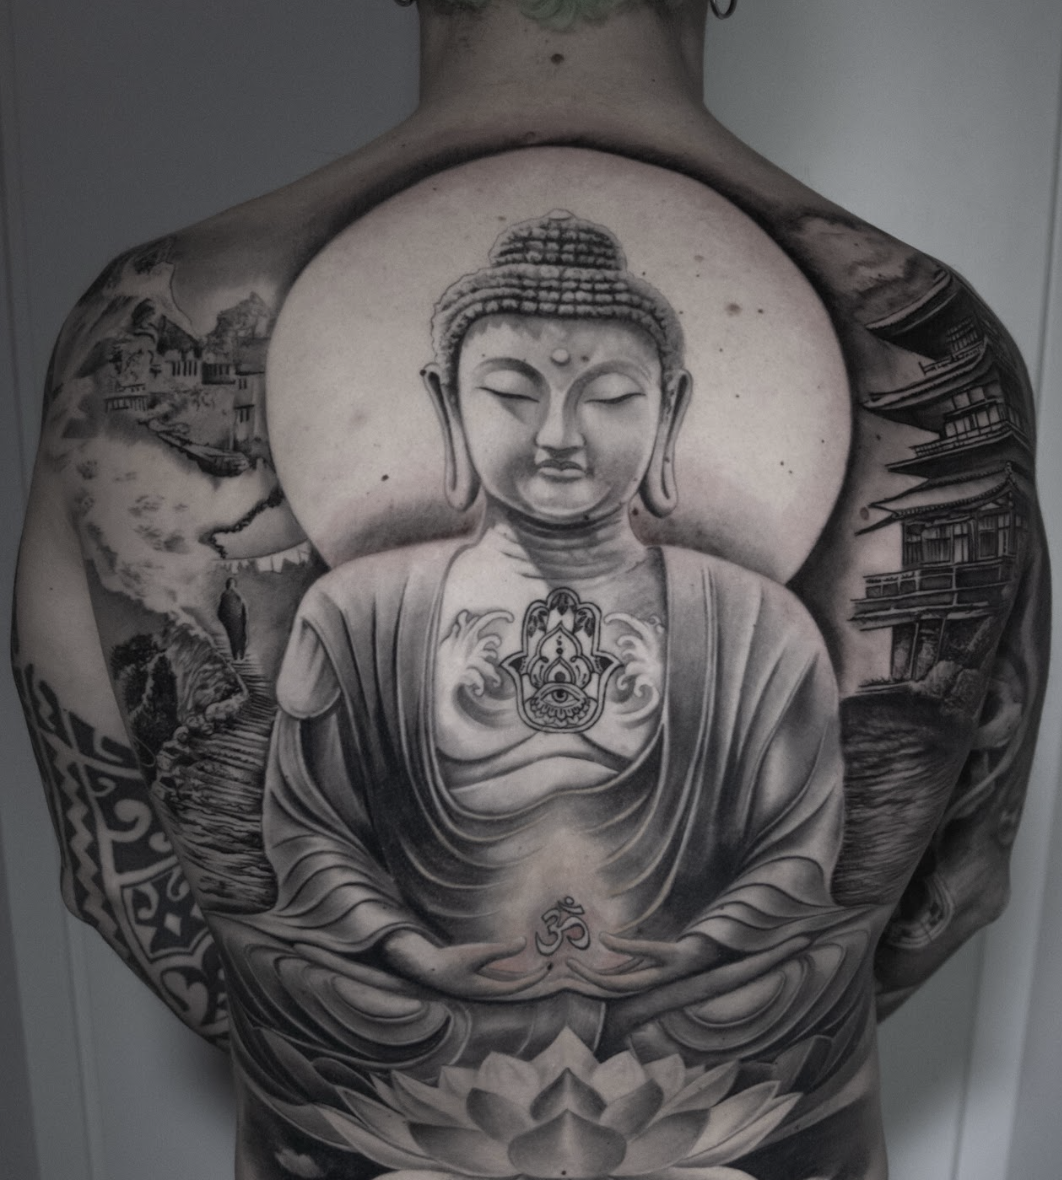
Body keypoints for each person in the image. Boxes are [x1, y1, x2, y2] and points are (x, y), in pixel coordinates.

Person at [10, 3, 1049, 1180]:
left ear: (671, 409)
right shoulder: (357, 617)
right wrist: (410, 961)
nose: (560, 436)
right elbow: (951, 888)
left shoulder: (759, 627)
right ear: (445, 402)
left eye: (609, 395)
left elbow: (117, 878)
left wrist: (691, 962)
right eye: (511, 388)